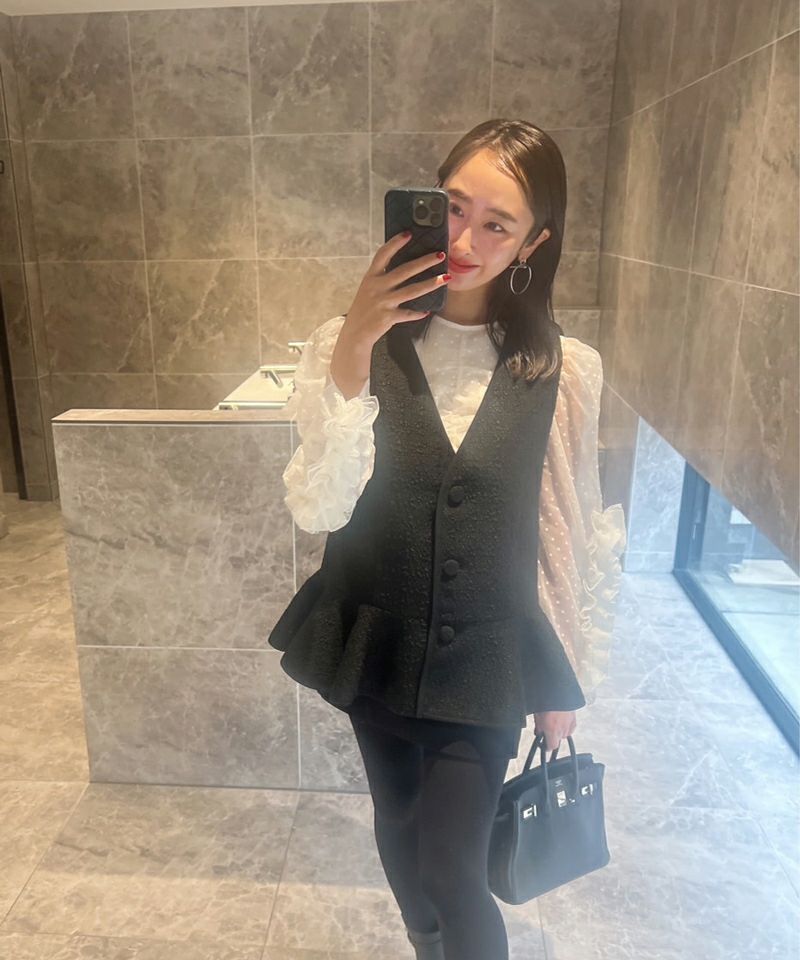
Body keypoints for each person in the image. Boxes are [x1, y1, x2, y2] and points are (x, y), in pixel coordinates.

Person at [268, 118, 627, 960]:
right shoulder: (345, 343)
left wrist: (568, 673)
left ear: (534, 243)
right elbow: (320, 505)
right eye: (454, 207)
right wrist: (355, 342)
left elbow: (568, 526)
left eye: (497, 224)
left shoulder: (566, 368)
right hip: (376, 634)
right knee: (398, 830)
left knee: (453, 868)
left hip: (490, 654)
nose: (464, 240)